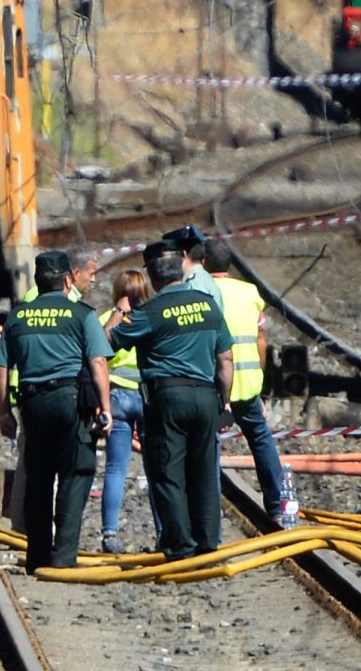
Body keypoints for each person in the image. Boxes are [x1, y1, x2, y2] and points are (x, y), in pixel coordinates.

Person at [110, 240, 232, 561]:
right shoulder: (208, 305)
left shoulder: (149, 312)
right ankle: (207, 542)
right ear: (181, 266)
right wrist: (223, 400)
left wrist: (119, 311)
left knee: (168, 473)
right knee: (205, 471)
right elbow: (226, 359)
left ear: (151, 274)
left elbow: (108, 341)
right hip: (206, 396)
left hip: (167, 398)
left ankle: (180, 546)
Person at [0, 250, 111, 571]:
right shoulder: (82, 315)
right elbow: (98, 362)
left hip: (32, 404)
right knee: (75, 472)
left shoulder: (18, 317)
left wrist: (4, 412)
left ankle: (38, 556)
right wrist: (106, 407)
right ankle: (63, 557)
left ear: (38, 280)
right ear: (67, 279)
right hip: (69, 400)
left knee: (39, 478)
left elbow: (2, 366)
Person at [207, 248, 296, 526]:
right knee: (260, 438)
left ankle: (209, 511)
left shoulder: (202, 290)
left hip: (217, 381)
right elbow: (261, 341)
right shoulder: (250, 292)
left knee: (209, 445)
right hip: (248, 382)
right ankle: (278, 504)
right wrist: (259, 375)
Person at [97, 269, 152, 555]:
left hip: (116, 397)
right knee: (155, 468)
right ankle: (164, 530)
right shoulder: (151, 317)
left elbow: (99, 357)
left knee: (116, 468)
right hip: (146, 396)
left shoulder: (104, 319)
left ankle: (109, 534)